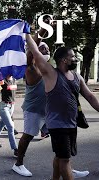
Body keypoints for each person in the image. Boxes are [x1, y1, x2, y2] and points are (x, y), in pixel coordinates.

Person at [26, 34, 99, 180]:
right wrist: (27, 34)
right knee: (65, 160)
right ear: (64, 60)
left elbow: (90, 96)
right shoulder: (51, 73)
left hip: (71, 123)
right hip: (57, 125)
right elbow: (35, 52)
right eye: (73, 57)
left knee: (60, 156)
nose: (75, 59)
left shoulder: (77, 77)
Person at [12, 28, 51, 177]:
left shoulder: (48, 69)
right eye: (41, 48)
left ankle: (64, 164)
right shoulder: (31, 68)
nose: (45, 49)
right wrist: (42, 31)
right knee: (28, 136)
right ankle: (18, 164)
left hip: (48, 111)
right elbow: (30, 54)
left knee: (61, 136)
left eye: (47, 48)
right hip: (33, 110)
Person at [0, 76, 18, 157]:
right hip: (4, 107)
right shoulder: (2, 80)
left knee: (2, 123)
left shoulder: (14, 79)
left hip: (12, 106)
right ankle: (15, 149)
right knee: (10, 127)